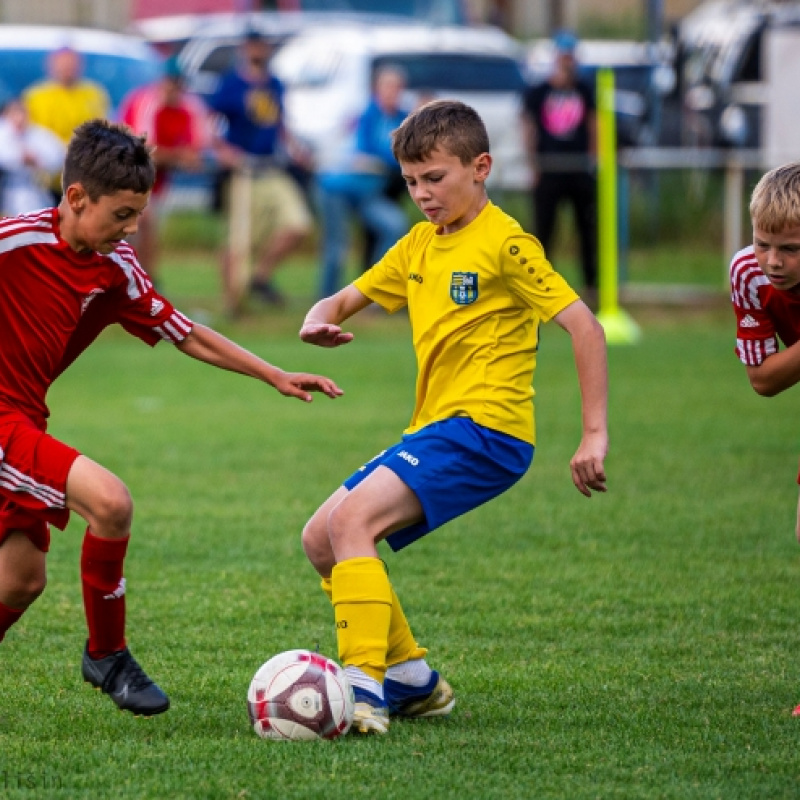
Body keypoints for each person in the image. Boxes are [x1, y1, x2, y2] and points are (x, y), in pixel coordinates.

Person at [0, 119, 342, 718]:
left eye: (139, 214)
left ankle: (105, 654)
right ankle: (107, 655)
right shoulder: (14, 242)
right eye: (123, 214)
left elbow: (186, 334)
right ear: (76, 197)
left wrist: (274, 375)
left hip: (25, 419)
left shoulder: (116, 266)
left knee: (21, 581)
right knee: (110, 503)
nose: (133, 227)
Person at [299, 100, 609, 734]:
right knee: (320, 537)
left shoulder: (506, 244)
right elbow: (348, 296)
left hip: (488, 430)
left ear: (481, 167)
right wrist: (319, 315)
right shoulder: (418, 244)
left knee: (354, 521)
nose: (422, 194)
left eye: (435, 178)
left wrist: (594, 432)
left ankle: (362, 687)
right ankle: (412, 678)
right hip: (438, 429)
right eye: (411, 182)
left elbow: (584, 325)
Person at [729, 162, 800, 717]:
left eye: (792, 249)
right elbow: (763, 379)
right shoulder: (747, 274)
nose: (773, 261)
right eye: (763, 243)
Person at [207, 29, 313, 313]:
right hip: (243, 171)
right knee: (240, 239)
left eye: (262, 46)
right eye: (253, 46)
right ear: (245, 49)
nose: (258, 51)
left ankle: (260, 277)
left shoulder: (275, 84)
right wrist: (223, 151)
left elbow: (279, 123)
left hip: (271, 166)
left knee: (298, 224)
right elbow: (208, 123)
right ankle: (233, 303)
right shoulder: (231, 85)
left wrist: (296, 150)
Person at [315, 65, 410, 298]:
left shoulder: (403, 118)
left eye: (397, 87)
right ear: (377, 88)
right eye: (387, 86)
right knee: (337, 247)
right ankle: (327, 300)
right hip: (338, 190)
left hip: (369, 192)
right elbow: (370, 150)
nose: (392, 92)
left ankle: (377, 293)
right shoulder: (367, 114)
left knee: (394, 225)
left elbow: (405, 151)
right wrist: (392, 157)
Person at [119, 54, 213, 286]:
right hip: (124, 176)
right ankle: (135, 281)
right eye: (170, 83)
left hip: (156, 181)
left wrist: (179, 157)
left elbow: (198, 151)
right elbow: (145, 151)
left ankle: (145, 282)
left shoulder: (190, 107)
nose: (173, 89)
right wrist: (179, 156)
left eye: (178, 84)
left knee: (146, 228)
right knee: (139, 224)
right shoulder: (146, 103)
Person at [521, 30, 598, 301]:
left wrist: (593, 158)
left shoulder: (585, 89)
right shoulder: (539, 91)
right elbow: (528, 126)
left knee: (588, 231)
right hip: (549, 168)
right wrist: (533, 165)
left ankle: (592, 288)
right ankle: (540, 289)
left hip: (578, 170)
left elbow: (594, 123)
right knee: (543, 234)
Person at [23, 45, 110, 202]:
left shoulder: (94, 94)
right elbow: (26, 135)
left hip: (85, 176)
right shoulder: (35, 97)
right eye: (62, 65)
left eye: (71, 64)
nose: (67, 69)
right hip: (46, 180)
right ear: (50, 66)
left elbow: (104, 131)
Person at [0, 97, 65, 216]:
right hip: (7, 190)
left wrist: (38, 160)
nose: (18, 117)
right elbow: (4, 156)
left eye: (21, 112)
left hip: (36, 190)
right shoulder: (3, 132)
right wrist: (19, 157)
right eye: (13, 113)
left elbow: (58, 155)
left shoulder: (38, 132)